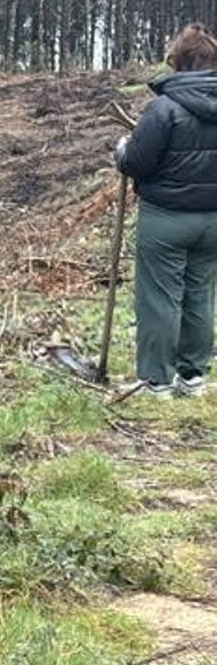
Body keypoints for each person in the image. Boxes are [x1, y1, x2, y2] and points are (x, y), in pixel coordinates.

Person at [116, 22, 217, 398]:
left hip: (167, 218)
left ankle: (156, 380)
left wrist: (122, 150)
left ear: (180, 62)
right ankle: (193, 376)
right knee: (200, 294)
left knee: (160, 297)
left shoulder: (164, 108)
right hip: (212, 219)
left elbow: (137, 163)